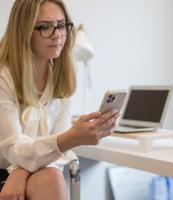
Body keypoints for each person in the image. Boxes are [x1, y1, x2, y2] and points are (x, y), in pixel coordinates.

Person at [0, 0, 119, 199]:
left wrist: (21, 170)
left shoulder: (62, 79)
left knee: (51, 176)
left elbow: (58, 153)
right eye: (45, 27)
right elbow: (13, 149)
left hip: (36, 167)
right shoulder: (4, 77)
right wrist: (70, 139)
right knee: (51, 177)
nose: (58, 35)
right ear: (24, 31)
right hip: (4, 169)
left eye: (62, 25)